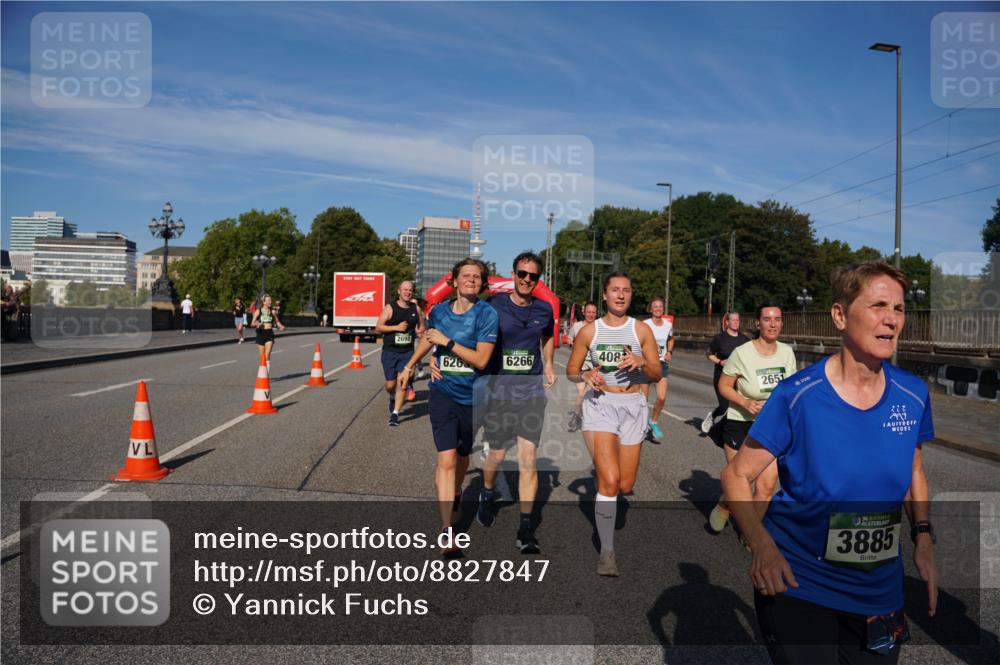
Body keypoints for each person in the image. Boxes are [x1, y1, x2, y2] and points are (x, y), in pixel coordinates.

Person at [721, 261, 937, 664]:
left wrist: (922, 537)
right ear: (839, 315)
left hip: (878, 588)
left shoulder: (913, 394)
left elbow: (913, 470)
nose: (891, 320)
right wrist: (761, 545)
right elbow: (736, 475)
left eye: (899, 309)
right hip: (801, 579)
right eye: (877, 306)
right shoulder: (797, 395)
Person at [398, 259, 498, 557]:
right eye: (465, 276)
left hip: (474, 397)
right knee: (447, 459)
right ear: (454, 281)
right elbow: (429, 340)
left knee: (464, 455)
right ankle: (447, 531)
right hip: (443, 393)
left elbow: (481, 360)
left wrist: (448, 343)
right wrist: (411, 364)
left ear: (482, 283)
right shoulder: (439, 311)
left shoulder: (487, 314)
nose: (470, 280)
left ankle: (456, 492)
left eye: (476, 276)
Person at [566, 272, 661, 576]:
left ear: (631, 296)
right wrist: (585, 375)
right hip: (601, 405)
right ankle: (607, 552)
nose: (621, 295)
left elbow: (657, 373)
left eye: (626, 291)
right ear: (605, 295)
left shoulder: (641, 330)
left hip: (633, 405)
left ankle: (605, 485)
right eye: (615, 290)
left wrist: (642, 362)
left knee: (625, 484)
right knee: (608, 481)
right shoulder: (590, 331)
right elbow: (571, 369)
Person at [475, 252, 556, 555]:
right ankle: (486, 491)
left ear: (538, 280)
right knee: (496, 455)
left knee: (528, 460)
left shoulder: (544, 309)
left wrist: (548, 364)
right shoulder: (494, 306)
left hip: (531, 395)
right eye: (522, 274)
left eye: (532, 276)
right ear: (513, 274)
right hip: (499, 395)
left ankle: (525, 528)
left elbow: (547, 336)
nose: (526, 280)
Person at [708, 303, 797, 536]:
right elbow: (724, 386)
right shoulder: (742, 353)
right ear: (758, 323)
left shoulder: (787, 353)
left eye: (777, 319)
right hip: (740, 422)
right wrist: (745, 402)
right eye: (767, 319)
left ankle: (752, 534)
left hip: (771, 426)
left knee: (766, 486)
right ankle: (725, 503)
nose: (773, 323)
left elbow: (791, 389)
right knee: (742, 482)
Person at [375, 280, 424, 426]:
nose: (408, 292)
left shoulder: (416, 309)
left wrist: (421, 331)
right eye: (405, 290)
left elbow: (421, 326)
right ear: (399, 291)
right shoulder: (390, 308)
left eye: (410, 290)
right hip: (390, 352)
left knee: (403, 383)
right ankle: (392, 396)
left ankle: (395, 414)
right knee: (390, 385)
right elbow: (378, 327)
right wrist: (396, 327)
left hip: (407, 352)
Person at [702, 311, 750, 434]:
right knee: (724, 406)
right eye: (733, 320)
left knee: (735, 406)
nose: (735, 322)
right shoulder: (719, 338)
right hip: (722, 376)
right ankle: (713, 417)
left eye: (737, 320)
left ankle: (729, 431)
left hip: (738, 377)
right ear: (727, 322)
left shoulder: (744, 339)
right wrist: (720, 362)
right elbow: (709, 354)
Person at [641, 298, 674, 443]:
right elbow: (637, 341)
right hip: (647, 364)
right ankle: (640, 426)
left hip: (661, 364)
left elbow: (671, 339)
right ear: (651, 309)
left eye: (660, 306)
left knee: (661, 397)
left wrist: (670, 351)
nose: (658, 309)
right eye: (655, 306)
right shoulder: (645, 325)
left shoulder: (668, 325)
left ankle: (653, 422)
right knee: (643, 400)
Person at [567, 302, 599, 435]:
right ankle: (577, 416)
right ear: (584, 312)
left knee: (591, 394)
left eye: (593, 312)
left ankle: (587, 418)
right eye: (588, 311)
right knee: (582, 393)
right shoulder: (577, 326)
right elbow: (569, 338)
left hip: (594, 366)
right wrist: (570, 342)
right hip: (580, 365)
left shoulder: (599, 327)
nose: (591, 314)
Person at [251, 294, 285, 372]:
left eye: (270, 300)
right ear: (264, 302)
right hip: (260, 333)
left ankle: (266, 374)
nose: (270, 302)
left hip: (269, 333)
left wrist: (281, 326)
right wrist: (257, 324)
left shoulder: (273, 311)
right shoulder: (258, 311)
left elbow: (277, 322)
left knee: (267, 355)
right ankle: (262, 372)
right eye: (268, 300)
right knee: (262, 357)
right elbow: (252, 323)